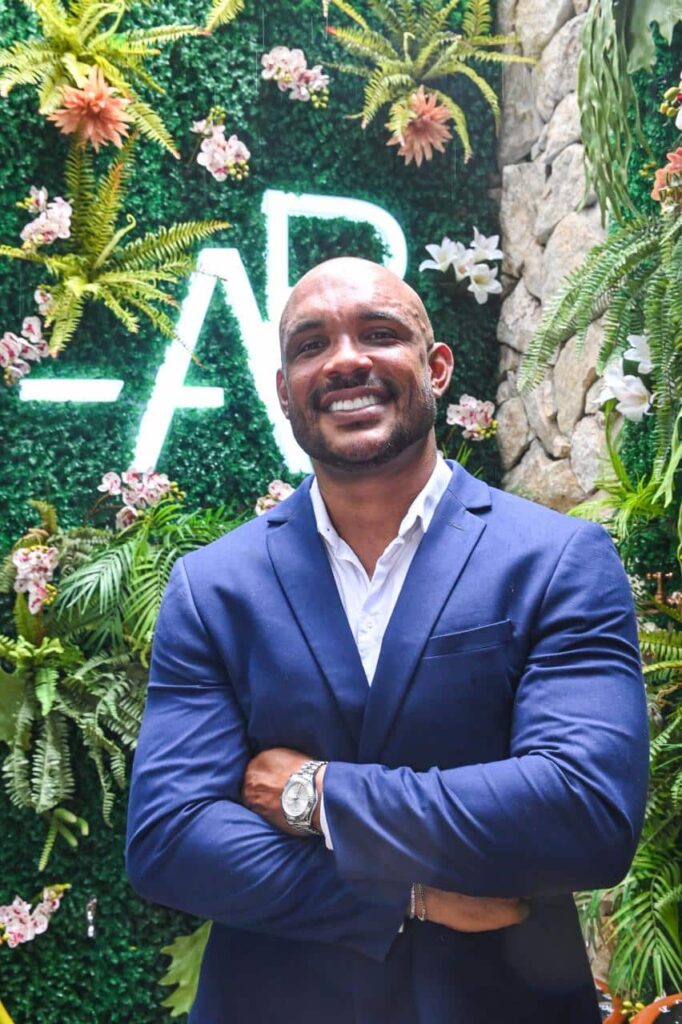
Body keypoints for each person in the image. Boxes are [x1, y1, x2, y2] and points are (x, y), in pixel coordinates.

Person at [126, 257, 649, 1024]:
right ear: (284, 391)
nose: (345, 360)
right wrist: (408, 898)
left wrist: (314, 793)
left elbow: (584, 810)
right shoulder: (212, 588)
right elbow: (171, 839)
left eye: (378, 333)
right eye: (312, 345)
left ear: (436, 368)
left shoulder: (558, 560)